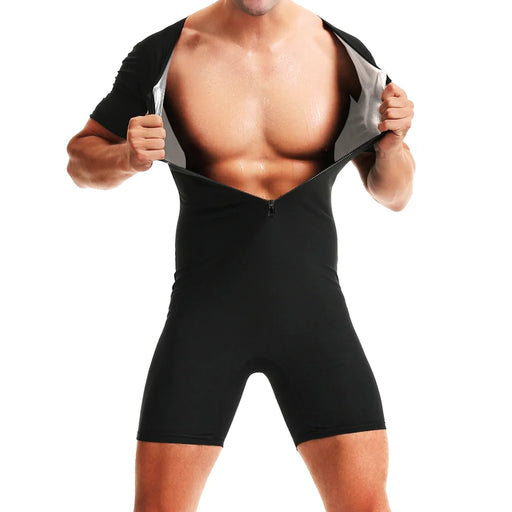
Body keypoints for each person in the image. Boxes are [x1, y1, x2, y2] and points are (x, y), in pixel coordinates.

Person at [66, 1, 415, 511]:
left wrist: (392, 146)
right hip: (205, 320)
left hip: (314, 320)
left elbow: (395, 194)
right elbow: (79, 161)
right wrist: (126, 156)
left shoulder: (344, 55)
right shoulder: (165, 54)